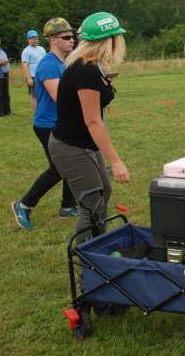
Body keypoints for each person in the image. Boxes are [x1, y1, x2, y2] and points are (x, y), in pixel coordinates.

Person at [48, 12, 130, 243]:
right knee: (91, 203)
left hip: (83, 142)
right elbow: (92, 120)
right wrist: (116, 161)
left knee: (103, 193)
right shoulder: (86, 70)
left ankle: (97, 252)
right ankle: (87, 265)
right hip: (71, 146)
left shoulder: (89, 66)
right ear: (111, 40)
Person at [11, 18, 79, 230]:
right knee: (58, 168)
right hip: (47, 124)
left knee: (71, 163)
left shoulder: (62, 62)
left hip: (60, 122)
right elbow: (60, 96)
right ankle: (23, 204)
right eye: (66, 37)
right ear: (52, 40)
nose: (72, 40)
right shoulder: (49, 65)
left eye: (72, 36)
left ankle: (67, 206)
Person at [21, 29, 46, 112]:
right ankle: (37, 113)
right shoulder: (26, 51)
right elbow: (25, 65)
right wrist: (28, 78)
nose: (35, 40)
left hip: (43, 76)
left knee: (43, 94)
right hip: (33, 77)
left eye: (36, 38)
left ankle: (43, 111)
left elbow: (45, 61)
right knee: (35, 96)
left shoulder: (41, 49)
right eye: (33, 38)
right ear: (28, 40)